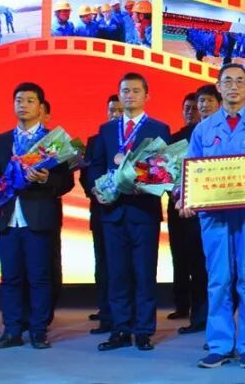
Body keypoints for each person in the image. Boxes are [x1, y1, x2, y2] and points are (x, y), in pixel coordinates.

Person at [182, 64, 245, 369]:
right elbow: (190, 171)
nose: (234, 86)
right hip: (214, 217)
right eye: (227, 81)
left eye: (240, 81)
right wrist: (185, 196)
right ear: (218, 87)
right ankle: (220, 345)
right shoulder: (203, 130)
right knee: (218, 280)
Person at [0, 83, 75, 350]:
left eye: (29, 100)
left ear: (41, 107)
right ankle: (11, 330)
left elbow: (67, 181)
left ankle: (38, 331)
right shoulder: (2, 141)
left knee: (39, 277)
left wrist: (46, 179)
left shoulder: (54, 141)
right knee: (10, 277)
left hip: (39, 217)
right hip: (7, 217)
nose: (23, 105)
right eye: (19, 100)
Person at [85, 73, 171, 352]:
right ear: (119, 95)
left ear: (147, 95)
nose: (130, 95)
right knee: (117, 273)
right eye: (125, 91)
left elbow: (164, 169)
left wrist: (142, 180)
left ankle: (143, 330)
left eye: (135, 90)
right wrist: (96, 188)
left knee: (144, 273)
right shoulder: (107, 130)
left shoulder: (159, 128)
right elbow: (95, 165)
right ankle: (120, 329)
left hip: (143, 211)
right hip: (113, 211)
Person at [168, 92, 206, 333]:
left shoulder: (210, 135)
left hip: (205, 208)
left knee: (201, 264)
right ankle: (182, 304)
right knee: (180, 258)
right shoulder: (174, 139)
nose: (192, 111)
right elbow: (164, 173)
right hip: (179, 208)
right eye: (188, 108)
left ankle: (201, 315)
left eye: (196, 107)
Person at [86, 95, 123, 335]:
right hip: (102, 211)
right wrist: (96, 190)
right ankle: (106, 314)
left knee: (127, 267)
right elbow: (87, 174)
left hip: (132, 211)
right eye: (111, 110)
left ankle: (128, 317)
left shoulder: (137, 139)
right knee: (103, 265)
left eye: (119, 110)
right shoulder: (96, 139)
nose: (115, 114)